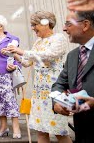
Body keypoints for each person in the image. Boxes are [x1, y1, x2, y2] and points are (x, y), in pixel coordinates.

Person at [6, 11, 72, 143]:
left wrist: (22, 51)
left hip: (54, 93)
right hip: (39, 94)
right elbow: (27, 62)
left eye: (34, 24)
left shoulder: (58, 38)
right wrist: (14, 55)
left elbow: (50, 54)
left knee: (60, 132)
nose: (32, 28)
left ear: (46, 23)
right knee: (41, 132)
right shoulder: (38, 42)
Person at [52, 10, 94, 143]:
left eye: (68, 24)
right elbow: (59, 84)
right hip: (81, 129)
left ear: (85, 25)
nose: (64, 28)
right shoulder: (72, 55)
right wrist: (57, 103)